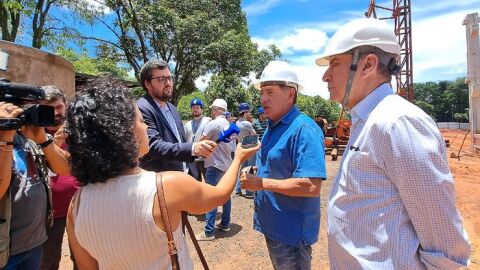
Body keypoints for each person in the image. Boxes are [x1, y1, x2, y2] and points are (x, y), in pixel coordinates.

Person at [316, 18, 471, 269]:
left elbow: (443, 237)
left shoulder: (398, 123)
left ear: (368, 64)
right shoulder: (367, 120)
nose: (325, 76)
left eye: (335, 64)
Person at [65, 78, 260, 270]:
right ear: (124, 132)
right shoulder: (166, 186)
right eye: (141, 121)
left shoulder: (77, 204)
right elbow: (219, 195)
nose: (147, 128)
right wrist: (238, 159)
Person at [240, 61, 327, 269]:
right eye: (262, 92)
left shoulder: (304, 129)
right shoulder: (273, 126)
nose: (263, 99)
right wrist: (256, 171)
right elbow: (276, 166)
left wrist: (260, 183)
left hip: (291, 233)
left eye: (269, 92)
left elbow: (311, 186)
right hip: (274, 225)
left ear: (290, 94)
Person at [0, 99, 70, 270]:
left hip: (35, 244)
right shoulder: (5, 139)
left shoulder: (29, 139)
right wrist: (6, 138)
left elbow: (64, 168)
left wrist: (43, 140)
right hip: (6, 252)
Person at [136, 59, 217, 178]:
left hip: (187, 175)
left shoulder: (173, 108)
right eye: (161, 79)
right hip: (165, 183)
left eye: (169, 78)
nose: (168, 83)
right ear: (148, 84)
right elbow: (153, 146)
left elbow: (180, 140)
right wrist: (193, 148)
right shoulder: (142, 108)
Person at [39, 86, 79, 270]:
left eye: (59, 107)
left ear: (66, 106)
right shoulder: (33, 134)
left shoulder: (79, 131)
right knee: (47, 261)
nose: (55, 113)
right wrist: (54, 143)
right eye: (49, 108)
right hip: (47, 212)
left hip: (79, 207)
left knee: (82, 259)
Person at [195, 99, 236, 241]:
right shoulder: (230, 126)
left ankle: (209, 231)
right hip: (227, 164)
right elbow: (232, 149)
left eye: (213, 109)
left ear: (217, 109)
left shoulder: (213, 124)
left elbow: (201, 141)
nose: (211, 111)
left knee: (211, 197)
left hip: (214, 164)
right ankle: (225, 224)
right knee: (226, 195)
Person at [183, 98, 212, 182]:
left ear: (201, 109)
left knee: (209, 182)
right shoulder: (187, 124)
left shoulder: (208, 121)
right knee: (195, 182)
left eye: (197, 107)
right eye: (193, 108)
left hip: (205, 158)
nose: (195, 110)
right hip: (192, 158)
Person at [234, 103, 256, 198]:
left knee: (242, 169)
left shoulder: (237, 123)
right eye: (249, 112)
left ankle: (238, 189)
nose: (249, 113)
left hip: (241, 148)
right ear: (245, 112)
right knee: (250, 168)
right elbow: (254, 135)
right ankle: (249, 191)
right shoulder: (247, 124)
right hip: (249, 148)